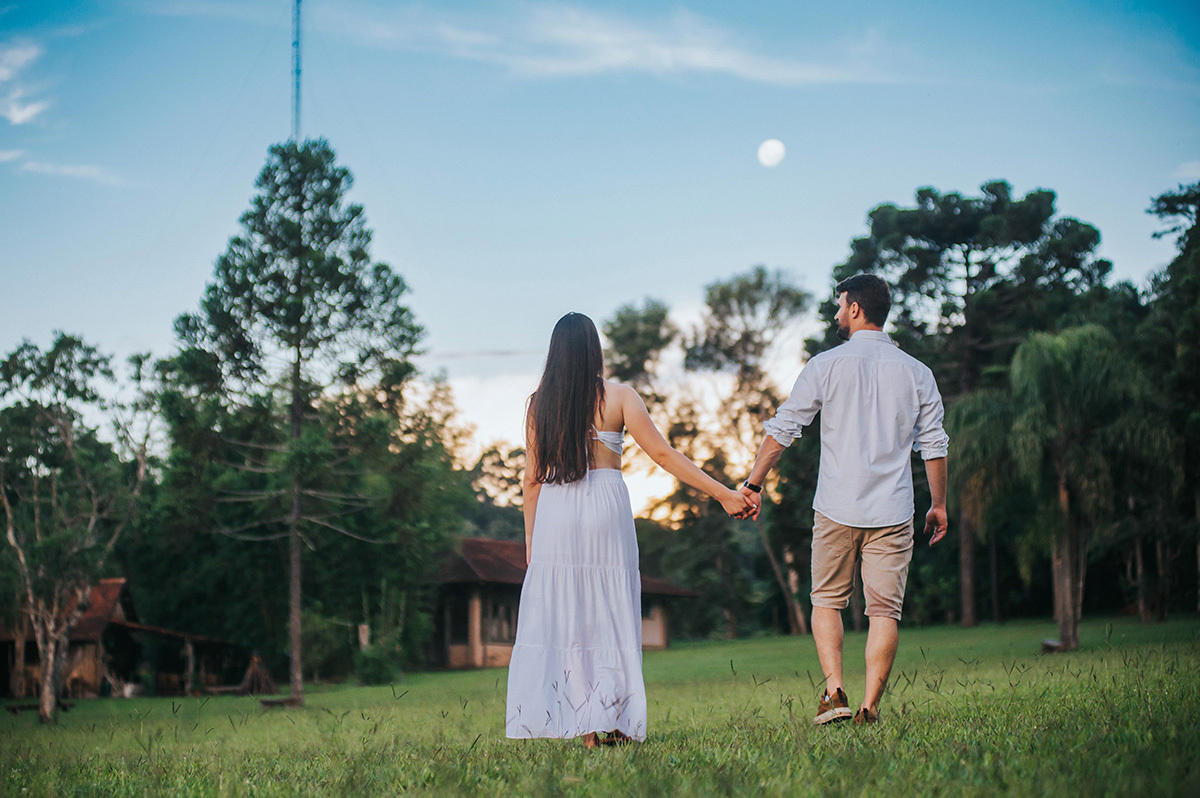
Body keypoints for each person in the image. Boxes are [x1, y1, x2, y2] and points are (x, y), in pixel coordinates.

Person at [505, 312, 754, 747]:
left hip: (556, 513)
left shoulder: (538, 404)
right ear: (594, 350)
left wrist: (532, 542)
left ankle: (586, 731)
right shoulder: (620, 396)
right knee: (611, 612)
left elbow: (530, 480)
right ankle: (619, 721)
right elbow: (663, 454)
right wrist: (723, 493)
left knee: (570, 620)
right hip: (605, 504)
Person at [739, 274, 949, 726]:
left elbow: (784, 429)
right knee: (884, 611)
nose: (836, 314)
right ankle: (870, 704)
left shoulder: (825, 365)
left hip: (835, 506)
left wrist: (753, 485)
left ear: (855, 308)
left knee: (827, 602)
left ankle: (835, 693)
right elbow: (933, 443)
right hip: (893, 509)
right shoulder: (917, 372)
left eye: (839, 305)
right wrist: (939, 504)